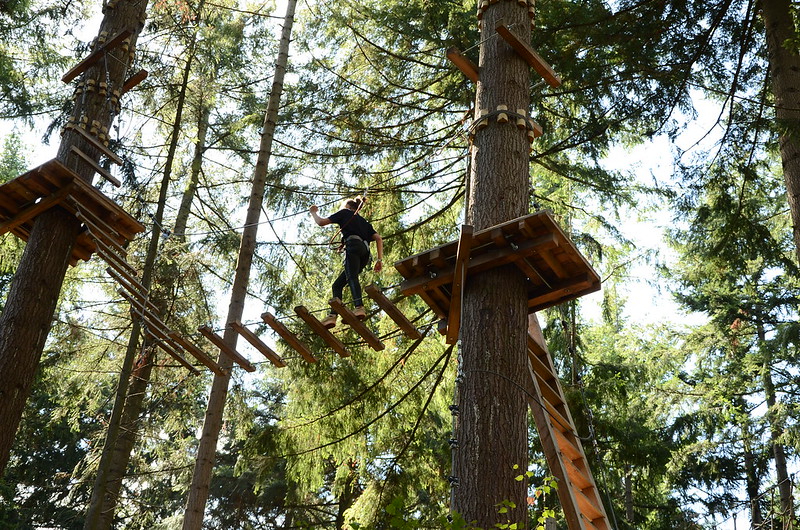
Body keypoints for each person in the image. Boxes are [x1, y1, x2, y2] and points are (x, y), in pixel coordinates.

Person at [310, 196, 384, 328]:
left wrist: (313, 212)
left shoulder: (344, 213)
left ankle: (359, 307)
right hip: (365, 253)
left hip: (353, 247)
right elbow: (378, 238)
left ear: (347, 207)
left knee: (351, 277)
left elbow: (321, 222)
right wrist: (379, 259)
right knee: (337, 285)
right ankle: (333, 316)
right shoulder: (364, 222)